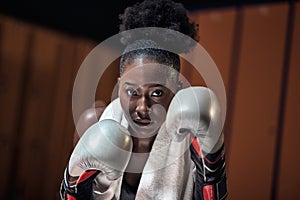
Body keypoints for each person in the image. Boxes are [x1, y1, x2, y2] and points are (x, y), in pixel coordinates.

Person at [60, 0, 228, 199]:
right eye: (132, 92)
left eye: (157, 93)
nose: (142, 107)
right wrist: (72, 187)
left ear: (177, 90)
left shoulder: (193, 134)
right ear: (119, 84)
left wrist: (212, 164)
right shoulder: (94, 123)